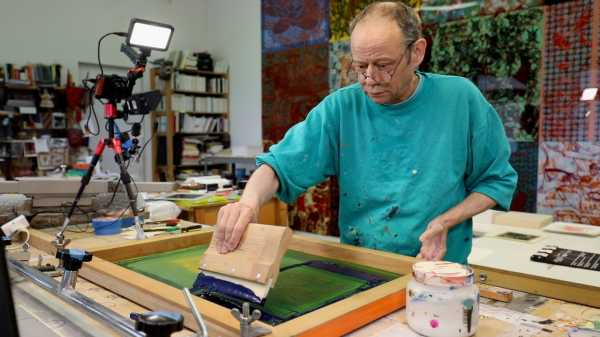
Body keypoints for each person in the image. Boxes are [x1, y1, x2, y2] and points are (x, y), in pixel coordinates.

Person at [214, 1, 517, 264]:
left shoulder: (460, 99)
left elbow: (496, 180)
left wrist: (446, 220)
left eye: (383, 65)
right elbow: (279, 165)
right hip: (362, 265)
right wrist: (248, 203)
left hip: (438, 269)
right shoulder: (342, 108)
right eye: (360, 66)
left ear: (417, 52)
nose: (370, 79)